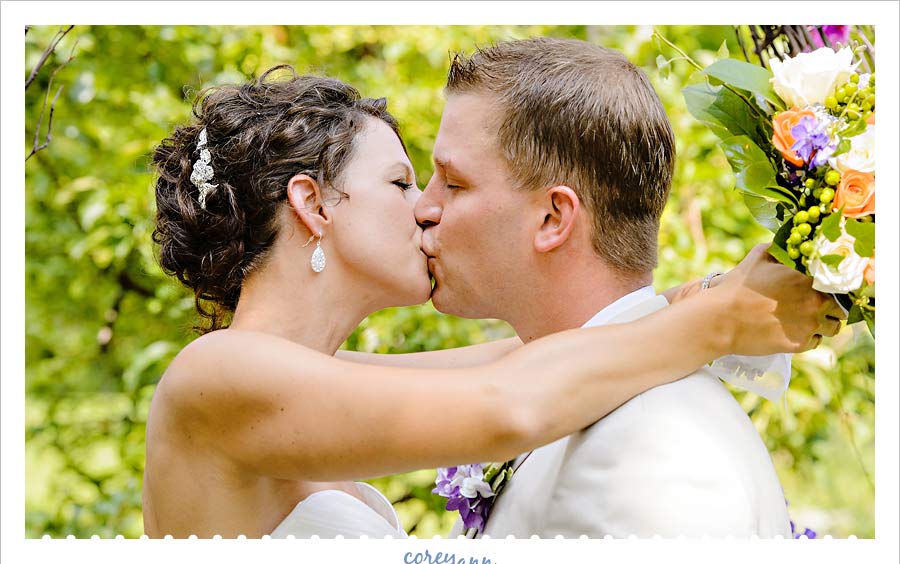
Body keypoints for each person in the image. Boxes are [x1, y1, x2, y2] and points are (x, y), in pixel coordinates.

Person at [143, 65, 840, 539]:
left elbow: (535, 356)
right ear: (312, 203)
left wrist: (704, 295)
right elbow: (505, 402)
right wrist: (717, 322)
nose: (424, 211)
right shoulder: (218, 375)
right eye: (402, 183)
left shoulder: (311, 377)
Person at [413, 38, 844, 539]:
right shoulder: (586, 393)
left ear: (553, 217)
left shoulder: (654, 450)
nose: (423, 208)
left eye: (453, 182)